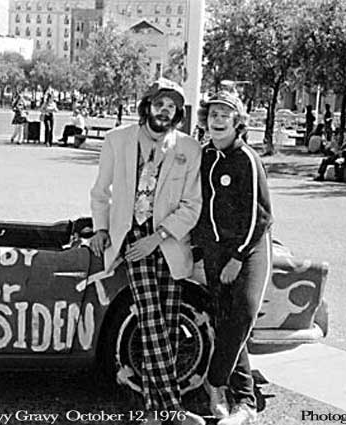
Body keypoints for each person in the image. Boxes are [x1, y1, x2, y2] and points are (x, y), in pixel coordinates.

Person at [89, 78, 205, 425]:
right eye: (159, 104)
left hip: (166, 242)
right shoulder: (117, 141)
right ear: (147, 105)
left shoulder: (189, 148)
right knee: (152, 320)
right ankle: (171, 411)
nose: (164, 111)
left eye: (171, 106)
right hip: (131, 242)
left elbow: (192, 205)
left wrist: (157, 238)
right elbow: (100, 192)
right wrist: (101, 229)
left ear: (178, 113)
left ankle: (155, 413)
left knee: (167, 326)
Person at [194, 91, 273, 425]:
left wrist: (238, 257)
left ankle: (214, 382)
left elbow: (261, 214)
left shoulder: (247, 158)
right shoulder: (204, 156)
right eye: (213, 113)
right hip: (216, 250)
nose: (218, 119)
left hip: (250, 249)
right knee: (226, 323)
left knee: (242, 313)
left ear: (238, 120)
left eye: (226, 113)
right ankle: (243, 401)